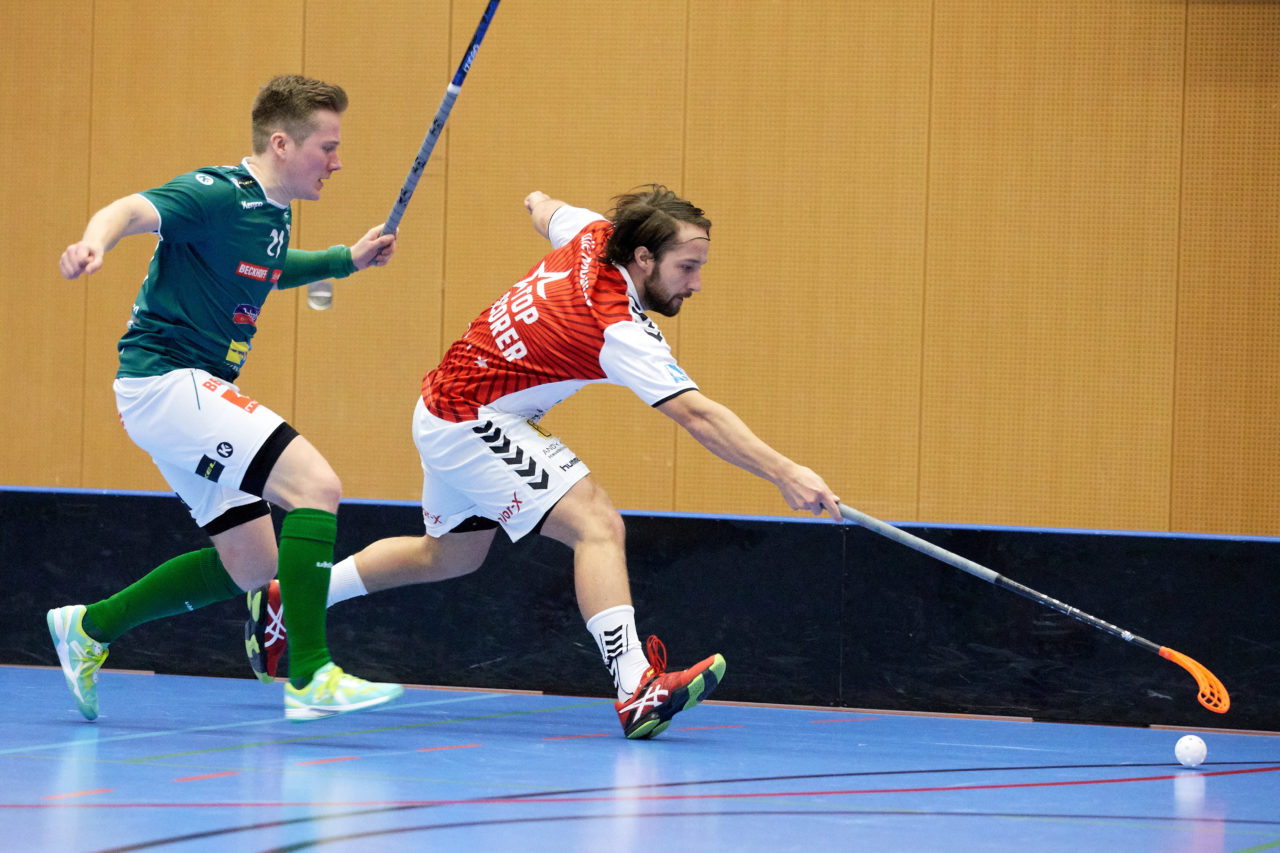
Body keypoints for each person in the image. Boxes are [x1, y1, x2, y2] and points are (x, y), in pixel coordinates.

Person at [245, 185, 842, 738]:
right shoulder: (619, 327)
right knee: (597, 525)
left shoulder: (591, 234)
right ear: (643, 258)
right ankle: (636, 688)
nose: (697, 283)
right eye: (687, 267)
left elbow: (542, 206)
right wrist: (786, 472)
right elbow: (699, 416)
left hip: (443, 403)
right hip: (472, 418)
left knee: (448, 555)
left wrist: (536, 199)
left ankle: (290, 600)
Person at [49, 74, 404, 723]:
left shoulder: (271, 213)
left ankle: (89, 628)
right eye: (327, 147)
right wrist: (94, 242)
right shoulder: (216, 193)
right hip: (167, 380)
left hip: (182, 393)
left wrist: (343, 260)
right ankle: (311, 674)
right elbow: (131, 209)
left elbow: (266, 267)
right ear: (281, 144)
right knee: (316, 485)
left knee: (253, 564)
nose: (337, 162)